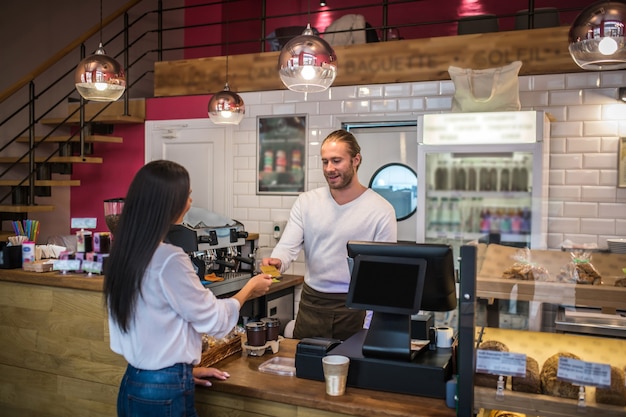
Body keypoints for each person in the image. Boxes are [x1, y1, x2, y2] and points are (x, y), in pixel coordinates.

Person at [104, 160, 272, 417]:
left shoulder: (123, 254)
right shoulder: (169, 258)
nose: (191, 202)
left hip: (132, 383)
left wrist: (183, 371)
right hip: (164, 392)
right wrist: (249, 288)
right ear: (170, 203)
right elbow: (214, 321)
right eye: (188, 195)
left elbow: (150, 326)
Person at [262, 129, 397, 341]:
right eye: (325, 162)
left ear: (356, 160)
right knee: (303, 369)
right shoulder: (306, 202)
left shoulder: (381, 210)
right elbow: (287, 247)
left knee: (351, 372)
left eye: (336, 161)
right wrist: (277, 261)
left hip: (354, 309)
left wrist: (369, 327)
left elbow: (380, 279)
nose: (329, 169)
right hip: (311, 305)